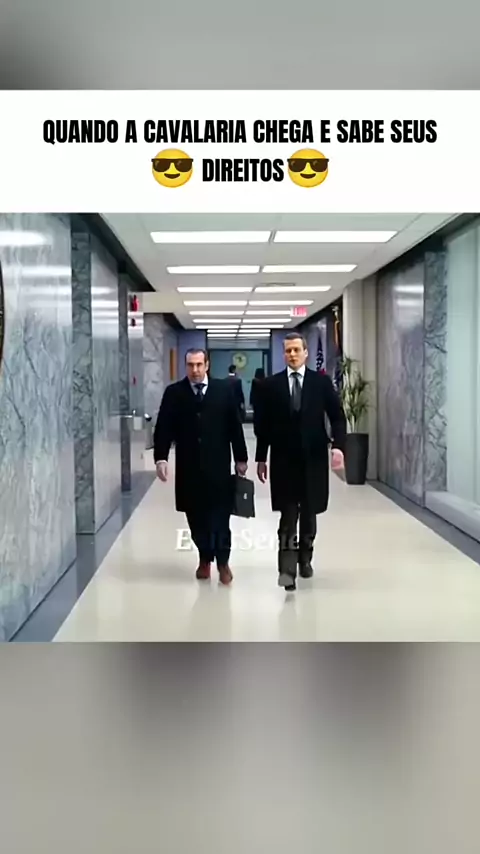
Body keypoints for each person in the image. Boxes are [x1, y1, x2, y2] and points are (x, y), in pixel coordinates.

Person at [254, 332, 346, 592]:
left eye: (296, 350)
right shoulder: (271, 385)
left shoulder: (321, 383)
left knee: (308, 513)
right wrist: (261, 458)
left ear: (306, 353)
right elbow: (264, 426)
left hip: (313, 459)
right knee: (287, 516)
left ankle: (305, 558)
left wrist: (338, 447)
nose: (292, 354)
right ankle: (286, 571)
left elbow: (337, 417)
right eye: (288, 351)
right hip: (283, 460)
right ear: (284, 354)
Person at [154, 348, 248, 585]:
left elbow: (234, 426)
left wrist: (241, 458)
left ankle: (223, 562)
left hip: (218, 466)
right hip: (189, 467)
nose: (195, 370)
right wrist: (161, 457)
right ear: (185, 366)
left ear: (207, 365)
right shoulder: (174, 393)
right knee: (196, 519)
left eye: (198, 365)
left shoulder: (223, 390)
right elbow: (163, 427)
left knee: (220, 519)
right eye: (190, 365)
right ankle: (205, 557)